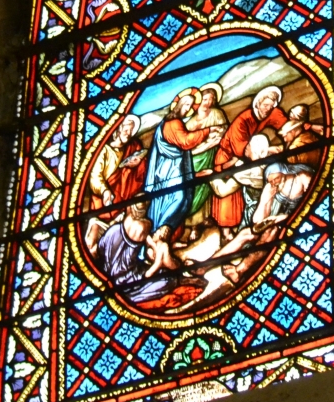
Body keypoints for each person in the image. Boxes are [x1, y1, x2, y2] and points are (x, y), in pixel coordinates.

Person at [144, 88, 222, 273]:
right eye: (185, 105)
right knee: (177, 199)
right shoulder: (172, 123)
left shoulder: (176, 122)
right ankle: (157, 238)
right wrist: (207, 131)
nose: (187, 109)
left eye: (189, 105)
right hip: (168, 172)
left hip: (174, 170)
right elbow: (185, 141)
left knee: (183, 200)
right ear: (177, 106)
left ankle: (165, 241)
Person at [211, 85, 289, 243]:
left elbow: (287, 126)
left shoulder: (272, 112)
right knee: (229, 198)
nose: (268, 109)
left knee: (242, 196)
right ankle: (225, 233)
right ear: (258, 103)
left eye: (271, 105)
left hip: (251, 154)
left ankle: (242, 227)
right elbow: (245, 150)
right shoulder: (243, 120)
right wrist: (266, 151)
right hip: (228, 156)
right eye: (265, 105)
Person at [85, 114, 146, 254]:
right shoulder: (104, 150)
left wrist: (138, 163)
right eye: (126, 129)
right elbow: (95, 176)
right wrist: (105, 191)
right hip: (103, 209)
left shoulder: (133, 147)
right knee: (90, 246)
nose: (128, 133)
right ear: (118, 128)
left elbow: (140, 174)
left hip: (122, 211)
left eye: (131, 130)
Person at [184, 84, 228, 242]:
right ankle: (192, 224)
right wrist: (206, 143)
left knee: (207, 187)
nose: (208, 102)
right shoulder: (189, 123)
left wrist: (212, 142)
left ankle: (204, 218)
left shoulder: (217, 113)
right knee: (194, 189)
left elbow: (223, 132)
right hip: (195, 159)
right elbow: (186, 146)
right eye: (205, 99)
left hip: (212, 155)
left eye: (211, 99)